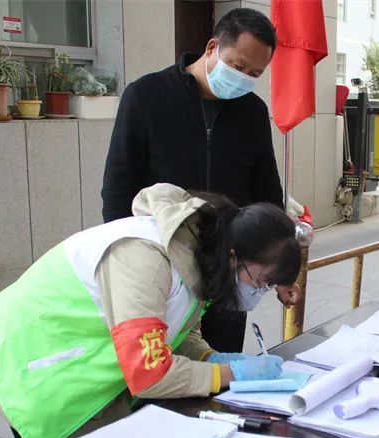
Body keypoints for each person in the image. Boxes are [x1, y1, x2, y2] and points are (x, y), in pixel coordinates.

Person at [0, 183, 300, 438]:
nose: (259, 292)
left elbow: (175, 329)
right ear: (234, 256)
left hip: (84, 370)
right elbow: (148, 373)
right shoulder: (143, 259)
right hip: (36, 371)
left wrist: (208, 357)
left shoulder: (200, 257)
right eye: (260, 281)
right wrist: (231, 374)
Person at [101, 8, 298, 353]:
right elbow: (118, 186)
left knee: (221, 369)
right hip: (162, 267)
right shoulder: (147, 96)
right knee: (158, 369)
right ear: (211, 48)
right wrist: (126, 263)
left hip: (228, 268)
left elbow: (267, 193)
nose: (243, 78)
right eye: (237, 67)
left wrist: (279, 271)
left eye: (255, 73)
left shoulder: (251, 112)